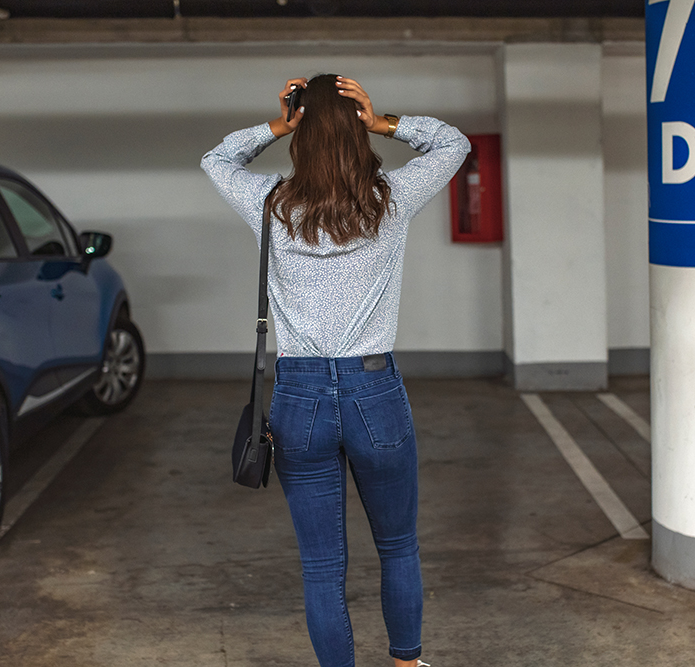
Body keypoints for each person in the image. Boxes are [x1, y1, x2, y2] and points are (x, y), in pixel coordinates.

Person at [201, 73, 469, 667]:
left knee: (322, 567)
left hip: (299, 398)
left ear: (300, 135)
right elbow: (453, 144)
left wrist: (279, 124)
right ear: (355, 129)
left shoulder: (271, 205)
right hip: (374, 389)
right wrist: (383, 122)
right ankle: (406, 664)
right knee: (398, 547)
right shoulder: (389, 199)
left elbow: (217, 159)